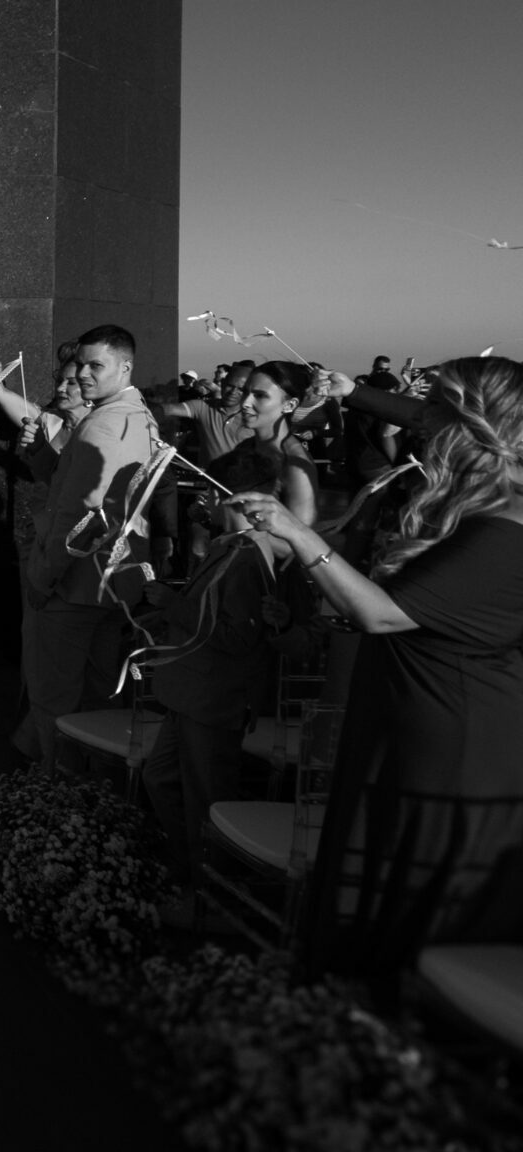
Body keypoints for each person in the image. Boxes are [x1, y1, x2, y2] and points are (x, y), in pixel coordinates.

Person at [239, 358, 523, 982]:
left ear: (476, 425)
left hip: (453, 748)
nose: (423, 423)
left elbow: (382, 614)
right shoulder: (485, 505)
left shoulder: (506, 527)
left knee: (408, 911)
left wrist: (297, 533)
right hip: (414, 723)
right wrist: (355, 393)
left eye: (437, 409)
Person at [141, 449, 304, 894]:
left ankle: (209, 889)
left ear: (227, 497)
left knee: (206, 800)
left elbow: (237, 637)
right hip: (191, 694)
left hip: (214, 699)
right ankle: (187, 866)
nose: (204, 502)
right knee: (161, 779)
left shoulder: (247, 556)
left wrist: (173, 605)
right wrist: (168, 614)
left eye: (208, 493)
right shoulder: (231, 547)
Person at [14, 324, 160, 766]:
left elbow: (80, 518)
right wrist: (42, 454)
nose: (82, 375)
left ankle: (57, 791)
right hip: (113, 586)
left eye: (96, 365)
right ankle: (91, 790)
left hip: (74, 585)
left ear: (125, 366)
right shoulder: (139, 415)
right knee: (98, 698)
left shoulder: (104, 423)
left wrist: (43, 578)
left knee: (53, 698)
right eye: (81, 364)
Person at [0, 314, 88, 460]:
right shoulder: (48, 421)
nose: (60, 388)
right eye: (59, 381)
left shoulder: (101, 426)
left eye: (71, 383)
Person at [234, 360, 319, 525]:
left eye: (260, 395)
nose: (245, 403)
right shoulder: (245, 447)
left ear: (289, 405)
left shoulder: (295, 465)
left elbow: (303, 536)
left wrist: (243, 527)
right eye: (245, 393)